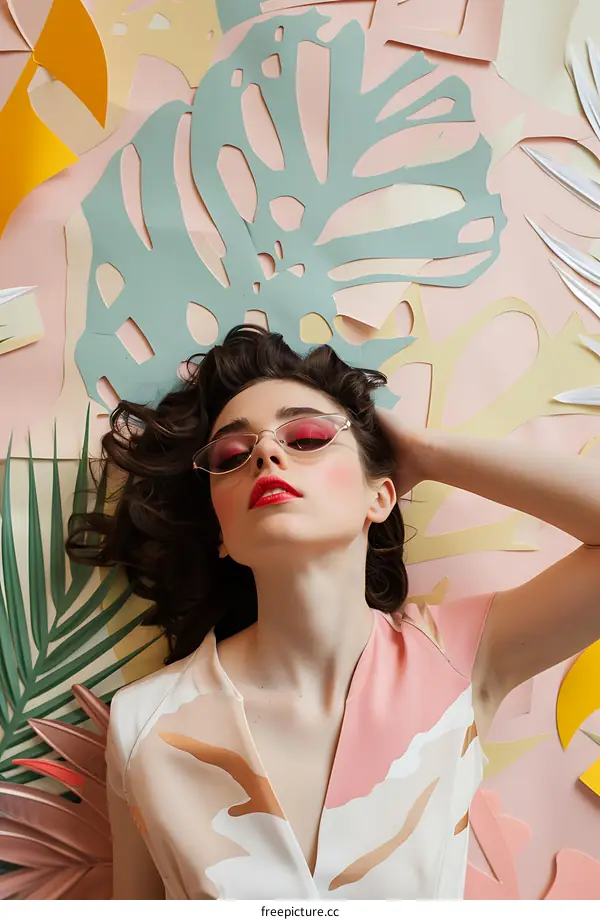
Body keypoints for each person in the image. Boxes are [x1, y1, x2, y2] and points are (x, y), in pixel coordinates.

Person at [67, 324, 600, 900]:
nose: (266, 452)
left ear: (381, 496)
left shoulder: (456, 661)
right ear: (220, 532)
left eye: (308, 438)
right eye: (233, 453)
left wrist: (427, 452)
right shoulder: (144, 723)